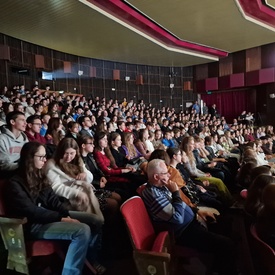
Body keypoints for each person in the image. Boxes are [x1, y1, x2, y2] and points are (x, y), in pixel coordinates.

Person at [7, 142, 103, 275]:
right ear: (29, 158)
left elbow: (53, 201)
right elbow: (32, 211)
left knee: (95, 220)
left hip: (49, 217)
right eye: (40, 157)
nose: (44, 160)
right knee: (82, 230)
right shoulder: (15, 183)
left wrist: (66, 214)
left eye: (45, 156)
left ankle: (91, 259)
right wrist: (62, 218)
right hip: (32, 225)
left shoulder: (39, 175)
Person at [141, 159, 237, 275]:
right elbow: (177, 218)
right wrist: (176, 192)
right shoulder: (153, 194)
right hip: (184, 232)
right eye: (166, 173)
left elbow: (180, 205)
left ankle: (217, 267)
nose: (169, 174)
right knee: (227, 244)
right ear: (156, 177)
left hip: (191, 222)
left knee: (225, 224)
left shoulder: (162, 186)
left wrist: (197, 211)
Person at [0, 111, 28, 178]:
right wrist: (24, 165)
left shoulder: (25, 139)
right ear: (12, 122)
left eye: (25, 120)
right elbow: (3, 165)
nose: (25, 123)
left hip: (22, 172)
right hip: (6, 175)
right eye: (22, 120)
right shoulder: (1, 139)